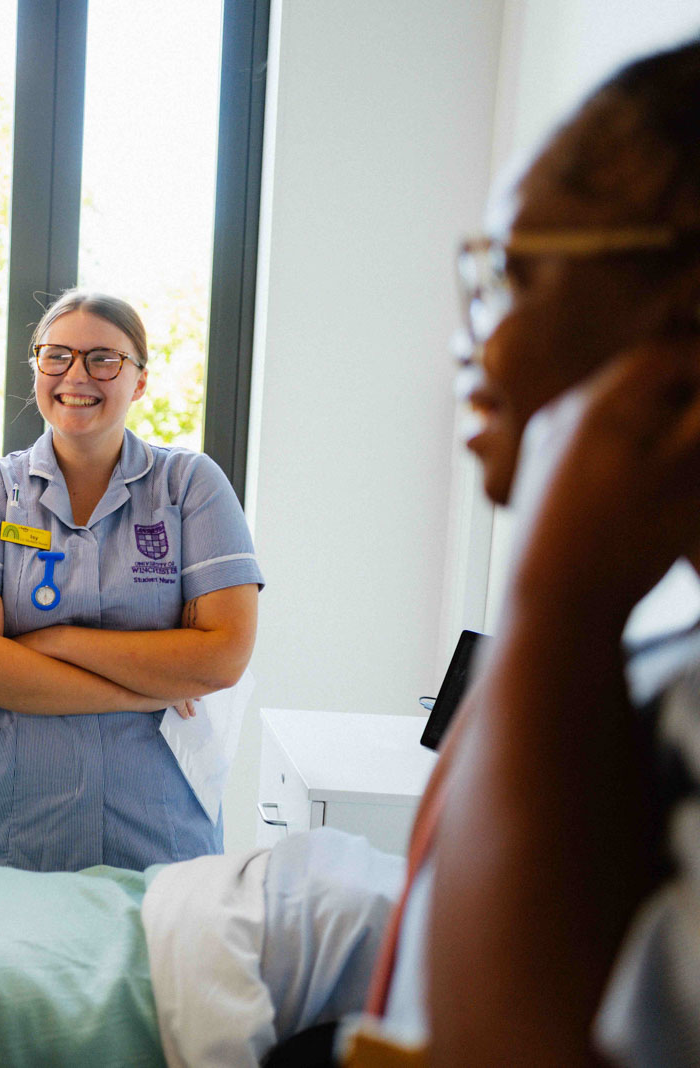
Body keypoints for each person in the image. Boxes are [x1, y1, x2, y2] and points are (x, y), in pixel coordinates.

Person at [352, 34, 700, 1067]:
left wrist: (553, 604)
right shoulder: (655, 662)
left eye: (511, 277)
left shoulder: (585, 635)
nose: (476, 346)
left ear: (680, 307)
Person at [0, 291, 261, 873]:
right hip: (8, 826)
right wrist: (150, 686)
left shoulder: (190, 487)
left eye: (103, 358)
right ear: (36, 367)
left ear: (139, 381)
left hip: (156, 828)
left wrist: (53, 643)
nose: (76, 374)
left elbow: (223, 656)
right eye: (56, 355)